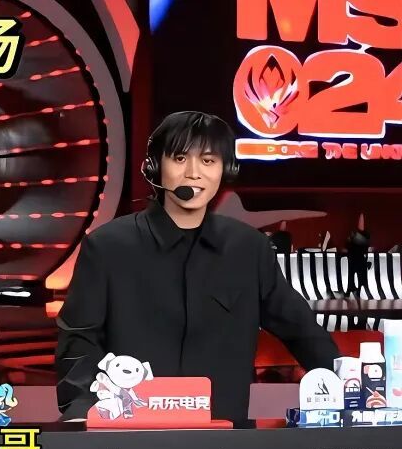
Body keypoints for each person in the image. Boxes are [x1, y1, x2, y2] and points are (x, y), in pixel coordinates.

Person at [56, 111, 340, 424]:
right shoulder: (108, 246)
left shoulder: (248, 248)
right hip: (130, 436)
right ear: (155, 167)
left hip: (225, 438)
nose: (194, 173)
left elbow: (300, 330)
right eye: (179, 158)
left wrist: (351, 386)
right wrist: (82, 412)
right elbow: (79, 341)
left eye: (208, 161)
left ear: (225, 169)